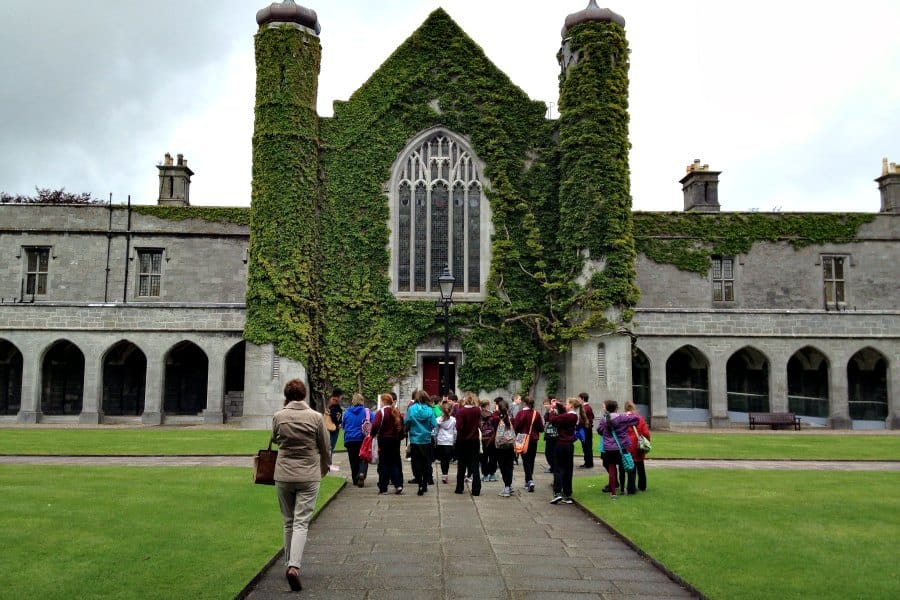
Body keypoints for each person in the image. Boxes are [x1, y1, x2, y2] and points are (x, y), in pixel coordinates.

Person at [271, 378, 330, 592]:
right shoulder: (315, 417)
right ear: (304, 395)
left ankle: (289, 564)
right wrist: (324, 468)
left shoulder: (279, 416)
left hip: (284, 473)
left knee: (288, 521)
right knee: (301, 522)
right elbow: (325, 446)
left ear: (287, 395)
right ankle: (294, 566)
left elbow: (275, 439)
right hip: (308, 473)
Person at [596, 399, 639, 500]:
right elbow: (636, 420)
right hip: (621, 446)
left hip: (609, 448)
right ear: (616, 408)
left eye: (603, 406)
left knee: (611, 470)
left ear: (607, 408)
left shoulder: (603, 419)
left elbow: (599, 430)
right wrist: (628, 416)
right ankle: (623, 490)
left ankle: (613, 493)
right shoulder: (622, 418)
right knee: (622, 468)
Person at [548, 396, 581, 504]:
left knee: (558, 469)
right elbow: (563, 412)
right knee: (568, 469)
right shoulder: (573, 416)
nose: (565, 405)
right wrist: (557, 404)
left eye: (567, 404)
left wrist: (552, 410)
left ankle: (557, 492)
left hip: (561, 444)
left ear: (571, 405)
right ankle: (567, 493)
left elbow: (553, 420)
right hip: (569, 445)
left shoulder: (569, 416)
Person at [405, 389, 437, 495]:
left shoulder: (412, 409)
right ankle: (424, 482)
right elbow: (434, 424)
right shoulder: (429, 410)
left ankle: (419, 482)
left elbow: (407, 422)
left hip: (415, 439)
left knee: (416, 462)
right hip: (426, 439)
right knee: (426, 462)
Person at [371, 392, 405, 494]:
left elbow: (375, 425)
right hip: (394, 440)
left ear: (383, 401)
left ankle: (383, 487)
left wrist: (372, 435)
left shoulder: (381, 412)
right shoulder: (396, 411)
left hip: (384, 440)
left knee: (384, 464)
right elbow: (401, 425)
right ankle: (398, 484)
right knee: (394, 463)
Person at [513, 395, 544, 493]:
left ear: (524, 403)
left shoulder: (520, 413)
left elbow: (516, 427)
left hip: (522, 438)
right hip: (533, 438)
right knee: (531, 460)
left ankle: (529, 480)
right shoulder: (536, 414)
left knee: (525, 460)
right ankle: (528, 481)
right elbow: (541, 428)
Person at [454, 391, 482, 496]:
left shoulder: (461, 411)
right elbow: (479, 424)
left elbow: (459, 426)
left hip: (462, 441)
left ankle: (459, 487)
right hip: (474, 440)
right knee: (475, 465)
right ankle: (476, 489)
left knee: (461, 465)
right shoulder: (477, 410)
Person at [341, 393, 371, 488]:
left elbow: (343, 426)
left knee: (353, 460)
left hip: (350, 439)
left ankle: (355, 479)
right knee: (363, 458)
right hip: (362, 439)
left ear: (353, 401)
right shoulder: (367, 412)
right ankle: (362, 473)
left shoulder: (346, 413)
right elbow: (374, 422)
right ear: (362, 401)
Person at [623, 400, 651, 493]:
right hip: (639, 444)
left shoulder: (623, 418)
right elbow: (646, 433)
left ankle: (631, 488)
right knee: (641, 466)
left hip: (628, 445)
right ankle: (642, 486)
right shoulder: (640, 418)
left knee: (631, 466)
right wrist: (646, 441)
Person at [492, 398, 516, 497]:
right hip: (510, 445)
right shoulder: (511, 418)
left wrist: (495, 412)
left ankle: (507, 486)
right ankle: (509, 485)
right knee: (509, 466)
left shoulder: (496, 418)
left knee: (503, 466)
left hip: (500, 446)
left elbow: (493, 426)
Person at [434, 400, 457, 484]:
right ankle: (445, 475)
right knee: (447, 459)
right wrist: (454, 440)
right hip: (449, 441)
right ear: (451, 410)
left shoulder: (438, 420)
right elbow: (455, 432)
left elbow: (436, 431)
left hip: (441, 441)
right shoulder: (453, 420)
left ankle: (444, 474)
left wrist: (435, 441)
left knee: (443, 459)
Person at [479, 398, 498, 482]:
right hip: (492, 438)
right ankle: (492, 474)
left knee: (484, 457)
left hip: (483, 439)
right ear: (488, 405)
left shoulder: (479, 415)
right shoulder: (492, 415)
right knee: (493, 456)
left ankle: (485, 475)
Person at [326, 388, 344, 466]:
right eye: (341, 396)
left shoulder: (331, 402)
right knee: (331, 446)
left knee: (330, 446)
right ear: (338, 396)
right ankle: (329, 464)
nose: (341, 398)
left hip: (332, 427)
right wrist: (339, 422)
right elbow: (333, 416)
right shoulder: (334, 404)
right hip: (333, 428)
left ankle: (328, 463)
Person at [577, 392, 595, 469]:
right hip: (587, 428)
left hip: (585, 428)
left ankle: (588, 463)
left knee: (586, 446)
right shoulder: (588, 407)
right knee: (587, 445)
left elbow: (582, 420)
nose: (578, 400)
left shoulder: (585, 408)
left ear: (583, 399)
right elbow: (593, 416)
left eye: (579, 398)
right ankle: (588, 462)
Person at [542, 397, 558, 475]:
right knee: (549, 452)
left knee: (550, 452)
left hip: (553, 434)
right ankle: (553, 467)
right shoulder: (548, 411)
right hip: (548, 434)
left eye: (547, 404)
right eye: (544, 404)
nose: (545, 405)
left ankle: (554, 467)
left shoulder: (553, 411)